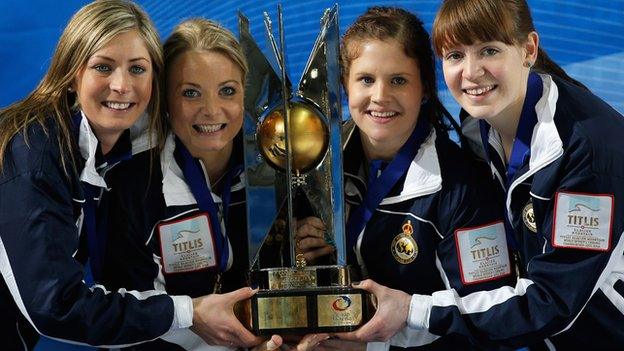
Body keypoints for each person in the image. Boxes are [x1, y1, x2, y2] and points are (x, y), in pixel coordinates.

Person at [336, 0, 624, 349]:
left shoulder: (588, 149)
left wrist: (410, 312)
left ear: (528, 49)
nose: (471, 73)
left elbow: (554, 302)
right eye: (455, 55)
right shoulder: (478, 122)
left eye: (489, 50)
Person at [0, 1, 261, 350]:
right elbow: (55, 306)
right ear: (71, 73)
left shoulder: (107, 152)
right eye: (103, 67)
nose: (122, 85)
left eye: (137, 69)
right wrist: (189, 312)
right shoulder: (33, 154)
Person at [295, 6, 516, 350]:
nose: (380, 96)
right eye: (366, 79)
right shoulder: (314, 170)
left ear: (425, 89)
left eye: (398, 80)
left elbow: (490, 321)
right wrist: (298, 255)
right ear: (344, 86)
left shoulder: (463, 188)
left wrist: (376, 347)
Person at [100, 18, 281, 351]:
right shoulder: (132, 184)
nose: (211, 110)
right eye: (190, 93)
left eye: (227, 90)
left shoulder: (278, 168)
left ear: (245, 93)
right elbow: (126, 318)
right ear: (164, 100)